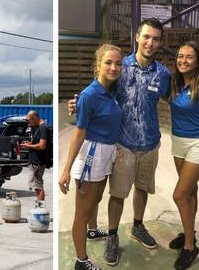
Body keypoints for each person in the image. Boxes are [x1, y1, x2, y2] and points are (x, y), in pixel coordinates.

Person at [68, 18, 171, 266]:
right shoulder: (121, 67)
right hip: (123, 144)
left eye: (155, 39)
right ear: (137, 37)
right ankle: (113, 235)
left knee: (143, 188)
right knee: (117, 194)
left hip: (150, 143)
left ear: (159, 42)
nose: (150, 42)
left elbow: (176, 99)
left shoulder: (163, 74)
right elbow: (100, 90)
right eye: (146, 36)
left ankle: (138, 225)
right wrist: (78, 103)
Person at [60, 44, 123, 270]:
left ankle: (93, 230)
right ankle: (81, 261)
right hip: (92, 155)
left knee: (96, 199)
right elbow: (79, 132)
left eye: (118, 63)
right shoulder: (89, 95)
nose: (114, 67)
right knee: (82, 211)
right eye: (108, 62)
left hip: (108, 152)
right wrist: (66, 170)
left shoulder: (113, 90)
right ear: (98, 64)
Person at [168, 41, 199, 269]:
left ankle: (190, 246)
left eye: (189, 57)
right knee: (191, 192)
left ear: (198, 61)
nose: (183, 60)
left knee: (179, 195)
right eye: (180, 56)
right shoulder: (175, 82)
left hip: (197, 144)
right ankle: (191, 232)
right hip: (177, 142)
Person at [21, 110, 50, 202]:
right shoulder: (36, 127)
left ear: (35, 118)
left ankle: (40, 207)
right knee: (36, 185)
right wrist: (29, 143)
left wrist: (28, 146)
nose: (29, 123)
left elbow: (42, 146)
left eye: (30, 120)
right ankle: (39, 205)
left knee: (38, 186)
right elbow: (36, 142)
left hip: (38, 161)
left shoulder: (43, 128)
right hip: (34, 160)